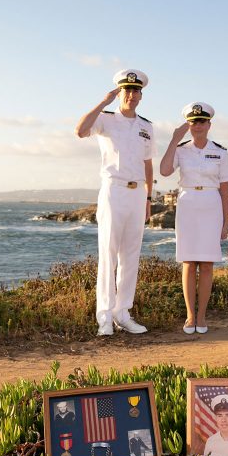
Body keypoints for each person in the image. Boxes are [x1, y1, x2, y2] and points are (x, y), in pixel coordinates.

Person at [75, 69, 155, 336]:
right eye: (127, 90)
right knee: (108, 253)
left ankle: (123, 313)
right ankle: (105, 316)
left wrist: (148, 198)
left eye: (136, 91)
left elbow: (148, 164)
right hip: (113, 190)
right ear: (120, 92)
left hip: (137, 193)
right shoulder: (106, 119)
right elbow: (80, 130)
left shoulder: (146, 127)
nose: (131, 95)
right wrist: (103, 102)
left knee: (131, 255)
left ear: (141, 95)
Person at [160, 102, 228, 334]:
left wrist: (225, 222)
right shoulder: (180, 149)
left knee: (208, 264)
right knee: (189, 263)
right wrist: (173, 139)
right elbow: (164, 171)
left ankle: (202, 317)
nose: (197, 126)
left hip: (211, 205)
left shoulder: (220, 152)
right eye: (193, 122)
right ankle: (190, 316)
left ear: (209, 124)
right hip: (188, 204)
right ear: (188, 125)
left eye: (201, 121)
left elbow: (224, 192)